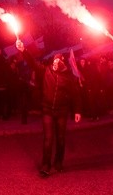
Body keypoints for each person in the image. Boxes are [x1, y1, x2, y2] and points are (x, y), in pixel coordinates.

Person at [16, 39, 82, 178]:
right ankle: (46, 165)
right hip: (47, 110)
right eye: (54, 61)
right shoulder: (46, 70)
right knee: (48, 138)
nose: (55, 64)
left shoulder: (68, 77)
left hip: (62, 111)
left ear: (62, 62)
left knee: (61, 138)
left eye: (58, 61)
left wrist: (77, 110)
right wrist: (23, 50)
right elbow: (33, 63)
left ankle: (58, 163)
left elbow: (75, 94)